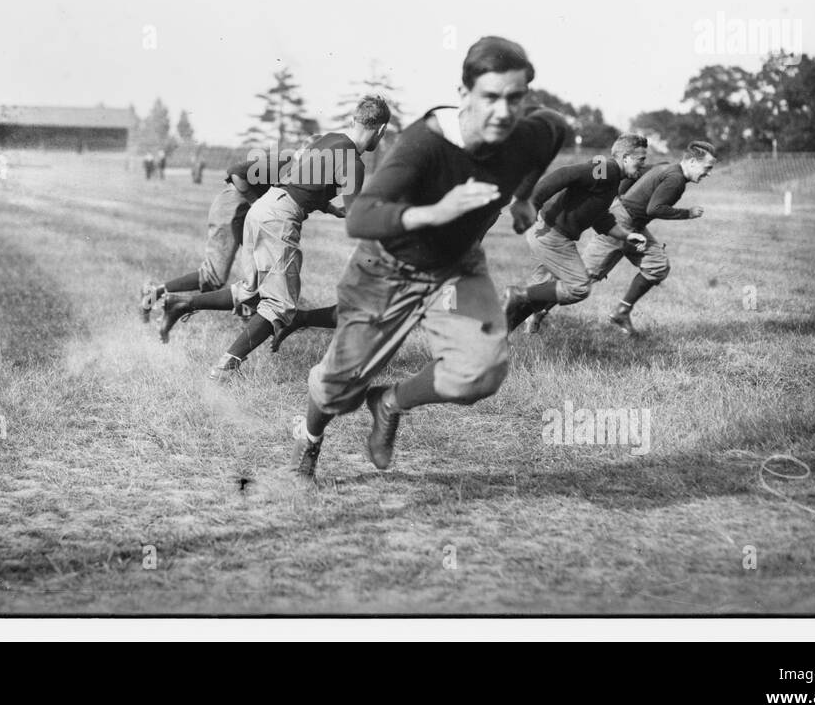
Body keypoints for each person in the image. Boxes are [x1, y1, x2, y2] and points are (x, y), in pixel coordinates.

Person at [293, 37, 567, 479]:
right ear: (464, 95)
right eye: (490, 97)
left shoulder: (530, 133)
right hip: (385, 270)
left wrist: (522, 198)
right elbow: (360, 215)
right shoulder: (425, 143)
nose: (503, 111)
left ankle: (388, 403)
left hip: (456, 269)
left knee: (479, 372)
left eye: (515, 99)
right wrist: (437, 212)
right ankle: (308, 449)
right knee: (336, 391)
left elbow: (552, 129)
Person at [160, 97, 392, 378]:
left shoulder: (330, 139)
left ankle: (182, 303)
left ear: (354, 120)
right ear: (380, 131)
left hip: (263, 207)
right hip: (280, 218)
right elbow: (359, 221)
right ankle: (225, 367)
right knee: (280, 306)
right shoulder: (354, 163)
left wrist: (329, 207)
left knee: (252, 291)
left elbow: (303, 180)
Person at [502, 133, 650, 335]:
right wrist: (532, 204)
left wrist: (626, 236)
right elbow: (564, 174)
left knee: (543, 290)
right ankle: (517, 294)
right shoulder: (606, 169)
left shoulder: (612, 179)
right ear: (625, 158)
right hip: (551, 234)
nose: (643, 164)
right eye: (641, 159)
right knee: (578, 287)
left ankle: (501, 330)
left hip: (552, 233)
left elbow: (600, 218)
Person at [579, 140, 717, 336]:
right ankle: (536, 306)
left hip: (633, 224)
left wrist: (621, 198)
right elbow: (656, 209)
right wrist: (688, 213)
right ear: (693, 162)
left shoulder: (665, 166)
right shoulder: (675, 180)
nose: (708, 173)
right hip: (620, 223)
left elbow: (635, 173)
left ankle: (622, 311)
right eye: (707, 167)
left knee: (657, 264)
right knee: (582, 279)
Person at [140, 156, 274, 323]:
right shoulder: (290, 165)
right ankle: (155, 294)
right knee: (213, 277)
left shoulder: (301, 168)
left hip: (239, 205)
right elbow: (237, 172)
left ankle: (249, 307)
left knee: (262, 261)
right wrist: (255, 202)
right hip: (233, 205)